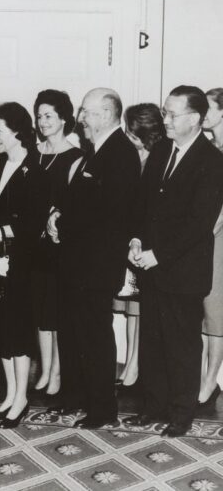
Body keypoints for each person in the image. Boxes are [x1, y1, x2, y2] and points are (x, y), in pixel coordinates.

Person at [126, 85, 223, 437]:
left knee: (181, 345)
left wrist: (158, 254)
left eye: (171, 114)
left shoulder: (212, 161)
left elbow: (199, 224)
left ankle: (181, 415)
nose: (164, 119)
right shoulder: (163, 149)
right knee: (153, 340)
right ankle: (153, 407)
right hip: (151, 267)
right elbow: (143, 202)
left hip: (182, 272)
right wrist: (136, 239)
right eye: (165, 112)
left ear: (195, 119)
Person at [47, 88, 140, 429]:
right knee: (79, 332)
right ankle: (81, 399)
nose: (81, 118)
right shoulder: (95, 151)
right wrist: (57, 215)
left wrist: (65, 223)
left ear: (104, 115)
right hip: (80, 263)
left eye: (86, 111)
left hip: (96, 266)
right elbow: (79, 200)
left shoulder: (120, 153)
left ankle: (102, 410)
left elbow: (107, 213)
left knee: (95, 335)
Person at [0, 102, 49, 428]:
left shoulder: (37, 172)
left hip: (22, 262)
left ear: (17, 132)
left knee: (18, 328)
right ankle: (9, 393)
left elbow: (33, 225)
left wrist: (0, 230)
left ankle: (22, 398)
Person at [30, 89, 83, 396]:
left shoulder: (76, 157)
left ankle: (58, 372)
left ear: (64, 118)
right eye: (39, 116)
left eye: (49, 115)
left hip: (59, 245)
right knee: (40, 310)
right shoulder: (33, 154)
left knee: (57, 311)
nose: (43, 121)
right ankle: (45, 367)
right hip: (34, 246)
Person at [113, 103, 166, 391]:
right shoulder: (133, 158)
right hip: (134, 238)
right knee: (134, 304)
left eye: (133, 133)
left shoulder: (158, 158)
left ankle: (137, 366)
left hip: (153, 244)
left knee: (145, 307)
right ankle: (131, 362)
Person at [199, 88, 223, 405]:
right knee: (202, 306)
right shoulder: (208, 149)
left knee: (216, 308)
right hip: (204, 234)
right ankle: (203, 374)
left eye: (208, 108)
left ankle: (211, 378)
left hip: (219, 235)